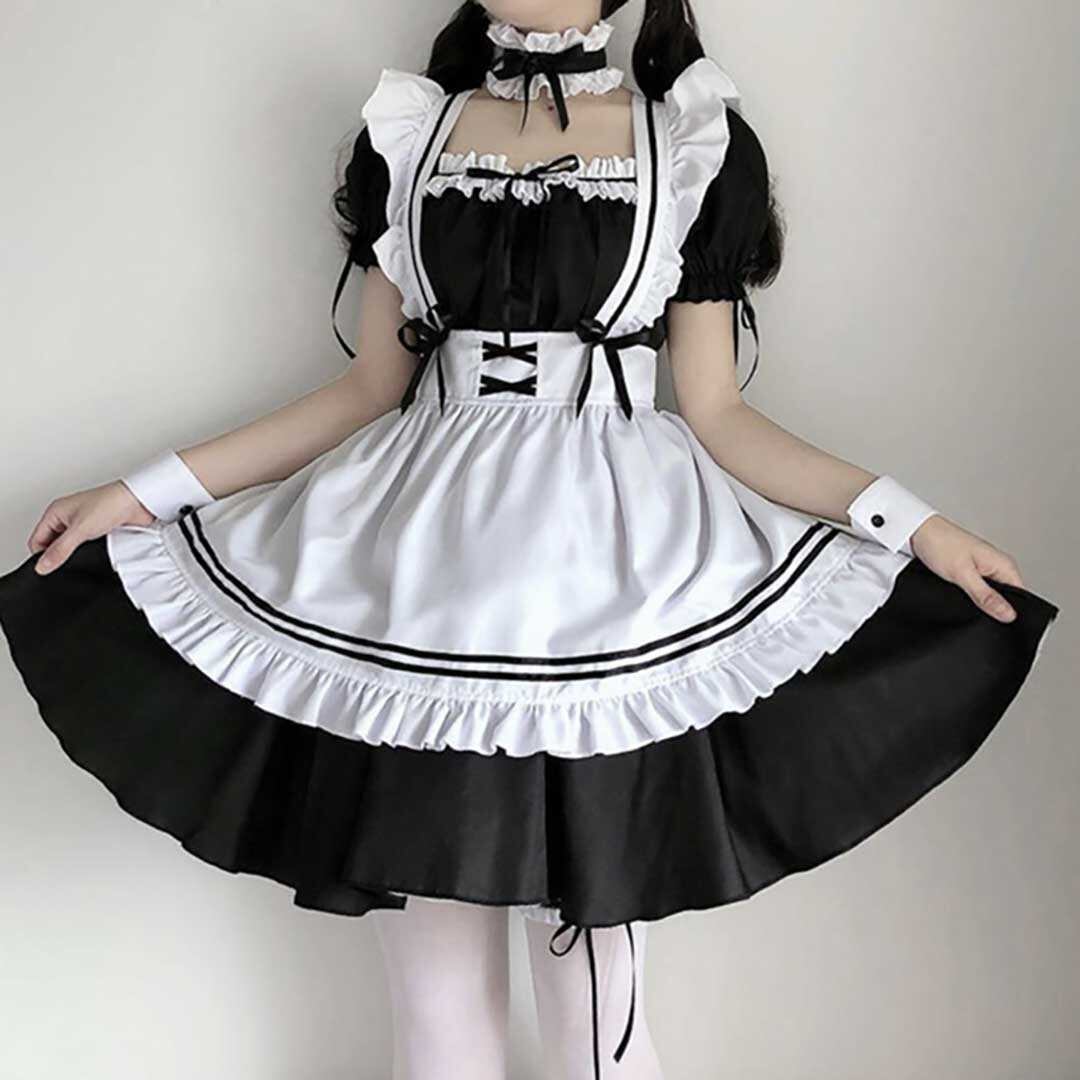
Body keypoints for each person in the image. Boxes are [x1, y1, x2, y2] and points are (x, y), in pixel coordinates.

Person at [0, 1, 1060, 1078]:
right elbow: (366, 389)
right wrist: (141, 494)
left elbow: (718, 412)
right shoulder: (409, 135)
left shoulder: (688, 141)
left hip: (612, 594)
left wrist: (915, 525)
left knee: (597, 1005)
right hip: (417, 595)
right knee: (436, 1006)